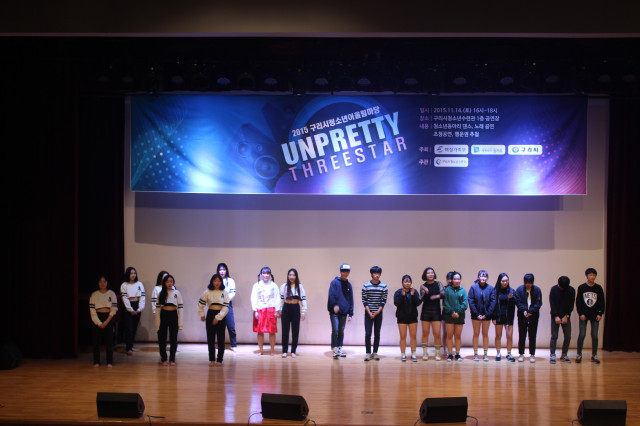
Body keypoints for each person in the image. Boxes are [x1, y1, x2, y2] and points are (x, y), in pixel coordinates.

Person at [198, 273, 229, 366]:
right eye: (215, 281)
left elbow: (226, 307)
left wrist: (218, 317)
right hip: (210, 314)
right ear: (212, 282)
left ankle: (219, 359)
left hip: (221, 316)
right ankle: (212, 359)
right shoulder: (207, 292)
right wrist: (202, 314)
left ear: (221, 282)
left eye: (219, 281)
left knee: (221, 338)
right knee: (210, 338)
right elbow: (200, 304)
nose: (217, 283)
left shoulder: (224, 292)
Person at [576, 267, 605, 364]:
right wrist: (581, 313)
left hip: (595, 315)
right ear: (586, 276)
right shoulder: (581, 287)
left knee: (595, 336)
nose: (592, 277)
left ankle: (594, 355)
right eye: (590, 275)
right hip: (584, 315)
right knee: (582, 335)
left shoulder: (598, 288)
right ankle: (579, 354)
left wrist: (600, 313)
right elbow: (578, 302)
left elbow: (602, 302)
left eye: (594, 275)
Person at [251, 266, 281, 355]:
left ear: (270, 275)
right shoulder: (257, 285)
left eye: (268, 273)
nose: (266, 275)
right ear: (261, 274)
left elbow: (277, 298)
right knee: (260, 331)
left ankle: (272, 350)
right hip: (260, 309)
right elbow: (253, 298)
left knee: (272, 331)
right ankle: (261, 350)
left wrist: (277, 310)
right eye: (264, 273)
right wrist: (255, 310)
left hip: (271, 309)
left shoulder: (274, 285)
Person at [89, 275, 118, 367]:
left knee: (109, 341)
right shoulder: (94, 295)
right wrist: (99, 322)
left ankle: (109, 361)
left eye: (104, 281)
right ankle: (96, 361)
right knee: (96, 342)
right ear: (98, 283)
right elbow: (92, 311)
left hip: (108, 317)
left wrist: (106, 321)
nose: (102, 283)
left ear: (107, 283)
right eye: (100, 281)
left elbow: (114, 309)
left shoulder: (111, 294)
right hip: (97, 318)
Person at [155, 274, 183, 366]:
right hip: (164, 315)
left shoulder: (177, 293)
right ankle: (163, 358)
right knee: (162, 338)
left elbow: (180, 309)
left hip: (173, 315)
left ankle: (172, 359)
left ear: (173, 283)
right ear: (164, 283)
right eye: (167, 282)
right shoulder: (161, 293)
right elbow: (157, 310)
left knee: (173, 338)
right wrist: (157, 323)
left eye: (171, 281)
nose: (169, 283)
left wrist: (180, 323)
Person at [468, 270, 496, 361]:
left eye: (485, 276)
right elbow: (471, 301)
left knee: (485, 334)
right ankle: (476, 354)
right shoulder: (473, 287)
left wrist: (487, 314)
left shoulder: (490, 288)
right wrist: (476, 314)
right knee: (476, 334)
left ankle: (485, 354)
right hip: (475, 316)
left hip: (486, 316)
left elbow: (493, 302)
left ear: (487, 278)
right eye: (481, 276)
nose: (483, 278)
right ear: (478, 277)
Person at [327, 263, 354, 359]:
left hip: (344, 312)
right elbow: (331, 295)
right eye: (343, 271)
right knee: (335, 330)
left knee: (341, 331)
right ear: (340, 271)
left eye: (347, 271)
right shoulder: (334, 282)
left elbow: (351, 299)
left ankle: (339, 348)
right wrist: (334, 305)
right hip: (334, 312)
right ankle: (334, 349)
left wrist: (351, 313)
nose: (345, 273)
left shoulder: (349, 285)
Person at [362, 266, 388, 361]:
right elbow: (364, 301)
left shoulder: (384, 286)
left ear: (380, 274)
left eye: (378, 273)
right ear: (371, 274)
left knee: (377, 333)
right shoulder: (366, 286)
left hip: (378, 313)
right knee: (368, 333)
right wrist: (369, 312)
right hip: (368, 313)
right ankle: (368, 353)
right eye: (375, 273)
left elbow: (383, 301)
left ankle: (375, 352)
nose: (377, 275)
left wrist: (377, 312)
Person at [515, 273, 543, 363]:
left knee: (532, 335)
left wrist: (531, 311)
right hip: (522, 316)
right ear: (524, 282)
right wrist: (523, 310)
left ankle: (532, 354)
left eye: (530, 283)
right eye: (527, 282)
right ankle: (521, 354)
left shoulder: (537, 290)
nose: (528, 284)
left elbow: (539, 303)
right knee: (522, 335)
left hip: (533, 316)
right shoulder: (519, 289)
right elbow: (518, 301)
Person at [280, 268, 307, 358]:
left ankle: (293, 351)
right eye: (290, 275)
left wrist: (303, 311)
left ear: (296, 276)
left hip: (295, 308)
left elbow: (303, 299)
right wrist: (279, 310)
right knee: (285, 331)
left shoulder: (300, 286)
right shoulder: (284, 286)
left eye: (293, 275)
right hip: (286, 308)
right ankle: (284, 351)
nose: (291, 277)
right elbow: (281, 300)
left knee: (295, 331)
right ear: (288, 276)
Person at [419, 267, 445, 361]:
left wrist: (436, 296)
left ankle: (437, 353)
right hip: (426, 311)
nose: (430, 274)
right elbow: (422, 299)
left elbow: (443, 294)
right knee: (425, 333)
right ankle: (425, 353)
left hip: (436, 311)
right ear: (425, 275)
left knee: (437, 333)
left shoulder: (439, 284)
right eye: (428, 273)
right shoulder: (423, 286)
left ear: (434, 274)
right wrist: (426, 292)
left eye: (432, 273)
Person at [394, 274, 422, 361]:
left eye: (409, 282)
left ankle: (413, 354)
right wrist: (402, 296)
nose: (407, 283)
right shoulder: (398, 292)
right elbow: (396, 303)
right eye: (405, 282)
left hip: (412, 317)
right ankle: (403, 354)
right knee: (403, 336)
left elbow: (418, 303)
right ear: (402, 283)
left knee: (413, 336)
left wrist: (413, 296)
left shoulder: (414, 291)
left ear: (411, 283)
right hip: (401, 317)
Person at [549, 275, 576, 364]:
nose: (563, 289)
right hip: (555, 315)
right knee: (554, 336)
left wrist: (567, 316)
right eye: (561, 287)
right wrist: (556, 316)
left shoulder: (571, 290)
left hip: (566, 316)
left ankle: (564, 354)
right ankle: (552, 354)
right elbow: (552, 304)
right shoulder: (554, 289)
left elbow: (571, 305)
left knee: (568, 336)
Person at [442, 271, 468, 361]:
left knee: (458, 336)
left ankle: (457, 354)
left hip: (460, 317)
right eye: (455, 279)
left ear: (460, 280)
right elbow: (445, 303)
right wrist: (452, 312)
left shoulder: (463, 290)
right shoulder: (447, 290)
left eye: (458, 279)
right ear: (452, 280)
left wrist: (458, 312)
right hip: (449, 316)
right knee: (449, 336)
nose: (456, 281)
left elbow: (465, 304)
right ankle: (450, 354)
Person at [120, 267, 146, 355]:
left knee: (134, 328)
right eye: (131, 273)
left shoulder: (139, 284)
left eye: (134, 273)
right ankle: (128, 348)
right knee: (129, 328)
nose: (133, 275)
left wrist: (139, 309)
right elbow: (124, 298)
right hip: (128, 307)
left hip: (137, 306)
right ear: (128, 274)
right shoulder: (124, 285)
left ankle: (131, 346)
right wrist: (130, 309)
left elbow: (142, 297)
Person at [492, 273, 516, 362]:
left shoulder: (512, 291)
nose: (505, 282)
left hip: (508, 317)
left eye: (506, 281)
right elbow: (493, 305)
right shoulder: (495, 291)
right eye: (503, 281)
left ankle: (509, 354)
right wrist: (493, 317)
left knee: (509, 336)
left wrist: (512, 298)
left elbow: (515, 303)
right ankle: (498, 353)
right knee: (498, 336)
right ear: (499, 281)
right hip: (498, 317)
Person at [217, 263, 238, 351]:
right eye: (220, 270)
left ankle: (233, 345)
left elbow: (233, 293)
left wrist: (226, 300)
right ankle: (220, 345)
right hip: (218, 305)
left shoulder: (230, 280)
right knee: (219, 327)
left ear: (226, 271)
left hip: (227, 304)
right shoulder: (216, 280)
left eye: (224, 270)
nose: (222, 272)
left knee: (231, 326)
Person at [441, 271, 454, 356]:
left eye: (451, 279)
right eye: (448, 279)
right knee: (445, 332)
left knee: (453, 333)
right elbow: (443, 302)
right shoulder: (444, 288)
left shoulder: (457, 288)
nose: (449, 280)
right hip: (445, 312)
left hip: (455, 312)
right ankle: (445, 349)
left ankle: (452, 348)